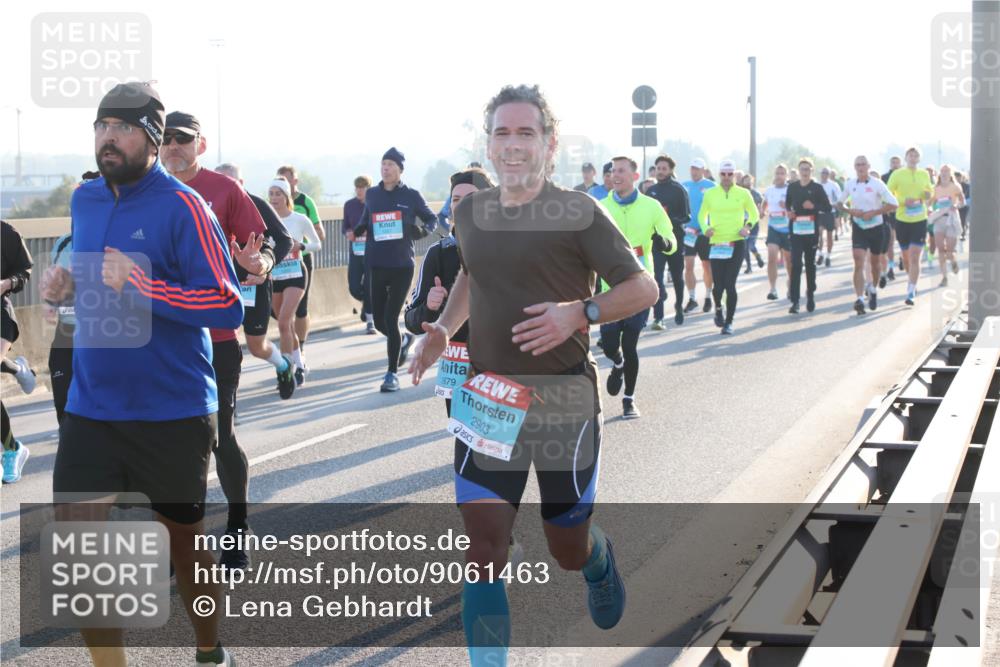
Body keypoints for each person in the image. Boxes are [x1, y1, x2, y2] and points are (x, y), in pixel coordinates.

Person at [409, 84, 656, 667]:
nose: (513, 145)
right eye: (502, 133)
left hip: (562, 399)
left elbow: (642, 287)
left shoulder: (578, 212)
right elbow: (474, 273)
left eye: (526, 133)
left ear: (549, 144)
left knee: (565, 548)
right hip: (488, 397)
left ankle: (598, 561)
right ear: (488, 144)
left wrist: (582, 311)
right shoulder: (470, 211)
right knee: (483, 548)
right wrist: (442, 330)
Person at [58, 81, 239, 666]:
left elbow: (226, 304)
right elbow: (97, 276)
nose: (109, 136)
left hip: (172, 410)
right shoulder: (85, 200)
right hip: (92, 408)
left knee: (181, 549)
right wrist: (68, 283)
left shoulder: (186, 206)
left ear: (153, 140)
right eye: (101, 125)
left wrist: (143, 286)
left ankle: (210, 651)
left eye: (125, 127)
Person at [162, 112, 271, 571]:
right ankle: (181, 537)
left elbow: (263, 249)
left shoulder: (225, 191)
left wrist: (255, 264)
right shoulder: (140, 194)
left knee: (220, 438)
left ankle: (237, 529)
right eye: (165, 140)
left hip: (217, 337)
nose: (173, 148)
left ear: (200, 145)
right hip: (163, 339)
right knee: (167, 441)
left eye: (183, 141)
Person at [405, 167, 494, 416]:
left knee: (496, 450)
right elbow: (411, 321)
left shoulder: (509, 247)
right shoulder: (439, 253)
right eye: (456, 200)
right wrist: (430, 308)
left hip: (501, 363)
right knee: (465, 446)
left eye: (471, 199)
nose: (462, 206)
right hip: (457, 364)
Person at [353, 147, 437, 392]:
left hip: (401, 266)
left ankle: (391, 374)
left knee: (390, 318)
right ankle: (404, 340)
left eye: (390, 164)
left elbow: (432, 220)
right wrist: (357, 230)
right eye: (383, 164)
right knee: (380, 321)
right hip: (376, 264)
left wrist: (421, 231)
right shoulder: (372, 195)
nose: (385, 168)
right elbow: (365, 221)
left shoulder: (411, 196)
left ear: (400, 169)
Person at [599, 156, 676, 415]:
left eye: (621, 170)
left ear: (634, 175)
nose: (615, 175)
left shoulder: (651, 206)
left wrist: (664, 243)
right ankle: (617, 363)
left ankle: (629, 399)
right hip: (609, 286)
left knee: (630, 342)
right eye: (612, 171)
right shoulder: (601, 206)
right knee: (610, 344)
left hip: (641, 284)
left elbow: (670, 237)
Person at [214, 163, 297, 399]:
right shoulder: (205, 204)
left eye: (233, 182)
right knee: (220, 346)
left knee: (255, 346)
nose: (227, 188)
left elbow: (284, 241)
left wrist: (264, 268)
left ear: (242, 184)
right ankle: (226, 400)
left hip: (252, 285)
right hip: (219, 287)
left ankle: (282, 365)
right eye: (222, 181)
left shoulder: (255, 204)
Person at [268, 176, 322, 385]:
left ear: (286, 196)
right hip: (276, 275)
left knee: (283, 321)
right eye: (271, 194)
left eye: (278, 194)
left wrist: (301, 246)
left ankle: (286, 370)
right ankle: (300, 365)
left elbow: (317, 244)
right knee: (286, 325)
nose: (274, 198)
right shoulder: (265, 220)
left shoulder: (299, 219)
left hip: (296, 273)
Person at [699, 160, 759, 334]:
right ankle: (718, 309)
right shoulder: (710, 194)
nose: (726, 177)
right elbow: (702, 215)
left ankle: (729, 322)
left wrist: (747, 227)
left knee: (730, 284)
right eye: (723, 174)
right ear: (719, 175)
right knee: (718, 285)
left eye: (730, 174)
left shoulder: (743, 193)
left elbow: (754, 213)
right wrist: (705, 229)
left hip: (736, 242)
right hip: (717, 242)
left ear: (734, 175)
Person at [838, 155, 898, 315]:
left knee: (875, 264)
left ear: (869, 166)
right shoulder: (850, 184)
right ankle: (859, 298)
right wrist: (851, 211)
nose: (861, 167)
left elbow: (894, 203)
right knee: (858, 260)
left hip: (876, 227)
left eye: (863, 164)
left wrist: (875, 212)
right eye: (858, 164)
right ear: (854, 167)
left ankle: (872, 288)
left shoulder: (877, 184)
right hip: (859, 227)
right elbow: (838, 203)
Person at [1, 219, 35, 483]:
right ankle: (17, 367)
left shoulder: (6, 232)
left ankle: (11, 451)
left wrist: (7, 283)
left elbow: (25, 271)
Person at [645, 154, 691, 329]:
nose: (661, 171)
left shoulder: (679, 190)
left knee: (677, 277)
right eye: (658, 168)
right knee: (656, 278)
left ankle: (679, 306)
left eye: (664, 169)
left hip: (674, 240)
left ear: (671, 170)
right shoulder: (650, 192)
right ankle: (659, 317)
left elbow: (687, 216)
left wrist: (669, 221)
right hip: (656, 242)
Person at [887, 147, 933, 305]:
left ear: (919, 159)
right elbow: (888, 193)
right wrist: (901, 202)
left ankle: (911, 290)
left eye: (916, 156)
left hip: (920, 219)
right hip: (902, 220)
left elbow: (929, 190)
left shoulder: (924, 174)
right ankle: (910, 279)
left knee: (915, 256)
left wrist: (928, 194)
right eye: (910, 155)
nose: (913, 158)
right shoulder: (897, 174)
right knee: (907, 258)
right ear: (906, 158)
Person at [785, 158, 832, 314]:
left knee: (810, 264)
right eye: (802, 169)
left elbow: (827, 207)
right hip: (796, 230)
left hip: (811, 232)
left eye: (807, 169)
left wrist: (814, 206)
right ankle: (795, 301)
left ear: (811, 171)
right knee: (796, 264)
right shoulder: (792, 187)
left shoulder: (817, 188)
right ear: (798, 171)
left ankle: (810, 293)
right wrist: (789, 212)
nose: (804, 172)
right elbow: (787, 204)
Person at [681, 158, 717, 314]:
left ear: (703, 170)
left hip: (705, 233)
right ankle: (692, 298)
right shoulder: (684, 186)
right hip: (689, 233)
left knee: (706, 266)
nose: (694, 172)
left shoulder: (711, 186)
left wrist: (710, 227)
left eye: (697, 169)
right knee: (688, 266)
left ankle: (708, 296)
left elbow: (717, 209)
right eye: (692, 168)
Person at [344, 175, 376, 334]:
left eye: (362, 187)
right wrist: (349, 232)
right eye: (357, 187)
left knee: (370, 286)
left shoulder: (375, 204)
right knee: (354, 287)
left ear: (368, 189)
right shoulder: (349, 205)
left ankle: (370, 322)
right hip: (356, 252)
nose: (359, 190)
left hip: (372, 253)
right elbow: (345, 227)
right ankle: (371, 302)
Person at [929, 164, 965, 285]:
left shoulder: (955, 186)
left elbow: (962, 200)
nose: (944, 173)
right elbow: (929, 202)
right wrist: (929, 208)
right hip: (939, 219)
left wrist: (957, 205)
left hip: (951, 219)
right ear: (940, 173)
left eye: (947, 171)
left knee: (949, 251)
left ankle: (953, 261)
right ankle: (944, 277)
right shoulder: (936, 187)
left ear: (950, 174)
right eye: (942, 171)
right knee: (940, 250)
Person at [762, 164, 792, 301]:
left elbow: (795, 207)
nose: (779, 176)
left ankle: (791, 286)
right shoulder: (770, 190)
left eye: (782, 173)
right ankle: (773, 289)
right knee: (771, 257)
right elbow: (765, 202)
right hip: (773, 227)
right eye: (777, 173)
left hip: (787, 228)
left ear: (786, 176)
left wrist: (786, 206)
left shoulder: (790, 190)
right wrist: (762, 210)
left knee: (789, 260)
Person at [882, 155, 902, 280]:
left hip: (903, 212)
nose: (895, 164)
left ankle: (901, 258)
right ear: (890, 164)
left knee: (902, 241)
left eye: (897, 162)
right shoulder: (884, 178)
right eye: (893, 162)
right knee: (890, 242)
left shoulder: (904, 176)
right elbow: (882, 195)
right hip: (890, 213)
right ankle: (890, 268)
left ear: (900, 164)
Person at [739, 173, 765, 273]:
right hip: (743, 222)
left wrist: (761, 212)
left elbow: (761, 205)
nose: (748, 182)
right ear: (743, 182)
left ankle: (758, 257)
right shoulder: (740, 193)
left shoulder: (756, 194)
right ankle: (749, 267)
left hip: (754, 223)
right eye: (746, 180)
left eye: (749, 180)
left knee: (751, 245)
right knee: (745, 245)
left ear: (752, 181)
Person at [817, 167, 842, 267]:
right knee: (819, 235)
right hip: (819, 213)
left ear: (829, 174)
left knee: (829, 237)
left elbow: (839, 198)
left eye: (826, 173)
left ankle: (828, 256)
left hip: (829, 213)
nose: (824, 175)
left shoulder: (833, 185)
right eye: (823, 173)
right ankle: (820, 254)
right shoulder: (816, 185)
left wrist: (834, 204)